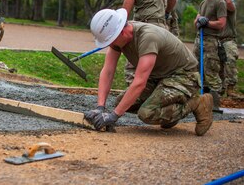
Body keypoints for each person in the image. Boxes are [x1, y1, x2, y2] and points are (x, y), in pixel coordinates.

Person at [84, 8, 213, 136]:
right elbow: (108, 71)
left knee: (147, 113)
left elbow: (139, 83)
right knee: (122, 102)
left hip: (184, 75)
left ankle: (197, 103)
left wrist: (113, 116)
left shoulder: (147, 37)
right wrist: (100, 107)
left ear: (120, 33)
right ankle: (170, 114)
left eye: (110, 41)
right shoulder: (118, 40)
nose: (109, 44)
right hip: (159, 76)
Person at [117, 0, 179, 84]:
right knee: (158, 69)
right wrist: (166, 12)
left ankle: (132, 102)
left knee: (133, 69)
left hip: (145, 30)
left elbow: (124, 14)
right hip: (162, 29)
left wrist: (114, 31)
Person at [193, 0, 227, 110]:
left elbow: (221, 23)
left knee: (211, 71)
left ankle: (215, 106)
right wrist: (199, 22)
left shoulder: (219, 2)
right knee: (196, 70)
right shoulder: (203, 3)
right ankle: (200, 102)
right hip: (199, 40)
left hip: (211, 41)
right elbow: (196, 20)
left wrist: (207, 23)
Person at [216, 0, 239, 97]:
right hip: (216, 41)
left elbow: (229, 2)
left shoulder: (229, 9)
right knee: (217, 67)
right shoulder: (214, 8)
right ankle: (220, 91)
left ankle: (231, 89)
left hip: (228, 40)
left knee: (230, 63)